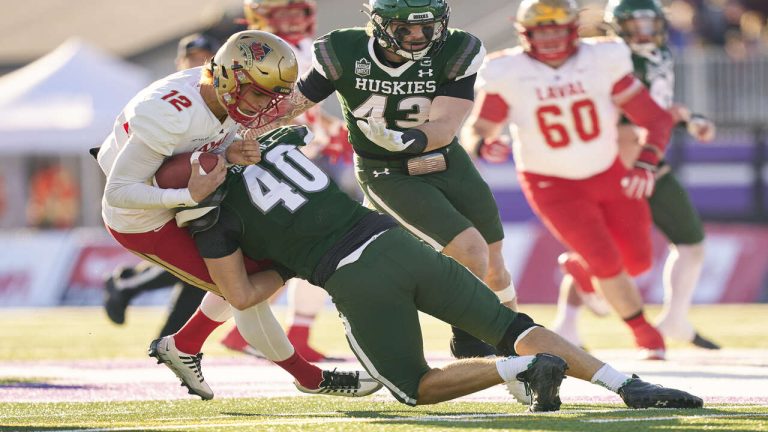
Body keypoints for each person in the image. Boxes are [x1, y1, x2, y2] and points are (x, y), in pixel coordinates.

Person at [168, 123, 703, 411]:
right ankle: (625, 382)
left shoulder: (211, 218)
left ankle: (519, 372)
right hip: (396, 241)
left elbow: (240, 296)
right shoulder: (276, 144)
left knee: (412, 386)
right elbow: (294, 131)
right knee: (515, 327)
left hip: (351, 275)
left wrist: (283, 265)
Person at [97, 30, 381, 400]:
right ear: (230, 77)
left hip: (197, 192)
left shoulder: (223, 96)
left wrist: (234, 151)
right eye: (260, 93)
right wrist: (186, 193)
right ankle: (310, 378)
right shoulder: (169, 112)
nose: (265, 106)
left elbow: (212, 145)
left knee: (263, 265)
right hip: (146, 217)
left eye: (273, 96)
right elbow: (117, 193)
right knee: (243, 290)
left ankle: (183, 345)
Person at [234, 0, 519, 359]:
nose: (418, 35)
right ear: (381, 24)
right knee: (470, 252)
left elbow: (445, 126)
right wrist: (238, 129)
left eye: (426, 26)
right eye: (406, 28)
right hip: (386, 171)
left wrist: (410, 139)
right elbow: (294, 104)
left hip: (447, 161)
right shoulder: (343, 50)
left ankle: (518, 344)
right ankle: (470, 346)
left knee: (495, 268)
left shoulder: (457, 49)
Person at [462, 0, 675, 360]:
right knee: (607, 262)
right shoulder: (509, 69)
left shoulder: (601, 60)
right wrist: (483, 143)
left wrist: (646, 160)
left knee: (638, 262)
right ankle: (644, 332)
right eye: (541, 32)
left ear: (573, 28)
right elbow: (479, 126)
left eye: (556, 30)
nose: (549, 40)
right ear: (525, 33)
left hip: (608, 172)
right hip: (551, 183)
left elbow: (655, 118)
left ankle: (580, 268)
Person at [219, 0, 350, 362]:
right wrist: (316, 131)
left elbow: (304, 105)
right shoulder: (246, 52)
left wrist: (327, 129)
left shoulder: (305, 49)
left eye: (298, 13)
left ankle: (270, 332)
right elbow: (259, 113)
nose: (293, 22)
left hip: (293, 160)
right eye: (284, 15)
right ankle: (262, 332)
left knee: (292, 253)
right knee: (301, 250)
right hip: (261, 160)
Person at [603, 0, 720, 349]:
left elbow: (656, 107)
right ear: (617, 26)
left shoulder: (661, 54)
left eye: (648, 22)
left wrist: (686, 117)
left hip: (647, 161)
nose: (642, 31)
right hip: (621, 162)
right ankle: (568, 322)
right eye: (634, 23)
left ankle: (675, 318)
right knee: (604, 253)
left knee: (689, 243)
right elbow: (626, 116)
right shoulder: (613, 61)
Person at [102, 33, 221, 337]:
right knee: (205, 268)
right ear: (181, 63)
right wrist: (185, 194)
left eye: (205, 59)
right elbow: (124, 184)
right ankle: (134, 294)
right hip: (150, 189)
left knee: (206, 265)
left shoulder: (218, 98)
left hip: (185, 188)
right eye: (193, 59)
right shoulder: (167, 100)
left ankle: (166, 334)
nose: (199, 65)